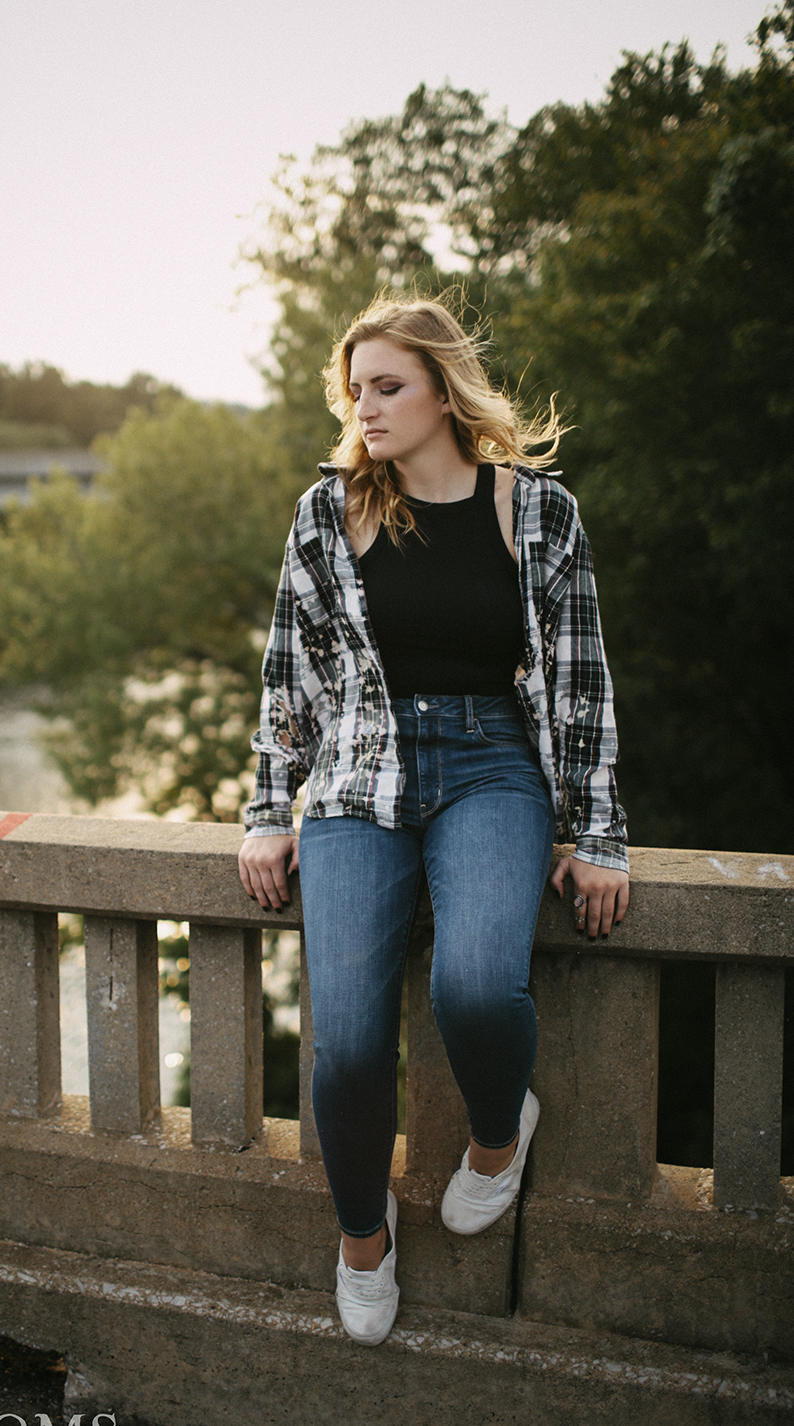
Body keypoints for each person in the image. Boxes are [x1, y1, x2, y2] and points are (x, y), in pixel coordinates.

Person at [238, 295, 629, 1346]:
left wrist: (595, 835)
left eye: (387, 385)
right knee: (351, 1043)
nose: (364, 406)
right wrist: (267, 809)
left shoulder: (537, 512)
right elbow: (290, 673)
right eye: (354, 388)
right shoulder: (328, 513)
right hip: (358, 777)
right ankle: (363, 1237)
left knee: (473, 985)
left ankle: (499, 1140)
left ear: (443, 391)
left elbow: (581, 681)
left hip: (493, 764)